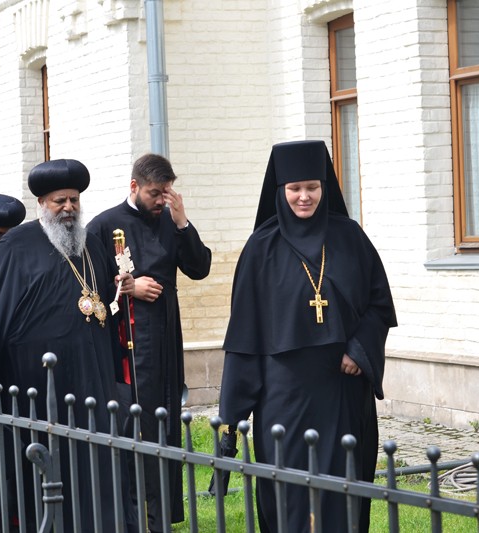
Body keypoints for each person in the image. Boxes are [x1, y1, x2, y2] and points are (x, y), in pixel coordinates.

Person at [218, 140, 397, 532]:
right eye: (295, 188)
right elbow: (245, 337)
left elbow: (379, 305)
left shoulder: (350, 237)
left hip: (343, 393)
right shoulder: (261, 248)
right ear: (280, 189)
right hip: (285, 398)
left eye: (312, 187)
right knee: (291, 496)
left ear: (324, 187)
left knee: (344, 492)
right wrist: (231, 417)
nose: (304, 196)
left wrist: (359, 349)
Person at [0, 159, 134, 531]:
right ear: (42, 203)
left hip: (95, 385)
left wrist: (121, 288)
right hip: (41, 392)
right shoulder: (16, 247)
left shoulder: (90, 245)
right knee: (52, 479)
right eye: (60, 201)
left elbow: (104, 302)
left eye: (74, 200)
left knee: (99, 470)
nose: (68, 208)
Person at [88, 152, 211, 531]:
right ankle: (129, 517)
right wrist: (128, 287)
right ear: (134, 186)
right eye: (155, 193)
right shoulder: (104, 225)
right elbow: (86, 286)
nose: (161, 200)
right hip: (123, 344)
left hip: (164, 339)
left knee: (163, 424)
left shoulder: (171, 222)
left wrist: (183, 222)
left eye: (166, 193)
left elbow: (199, 267)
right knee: (129, 424)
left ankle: (159, 518)